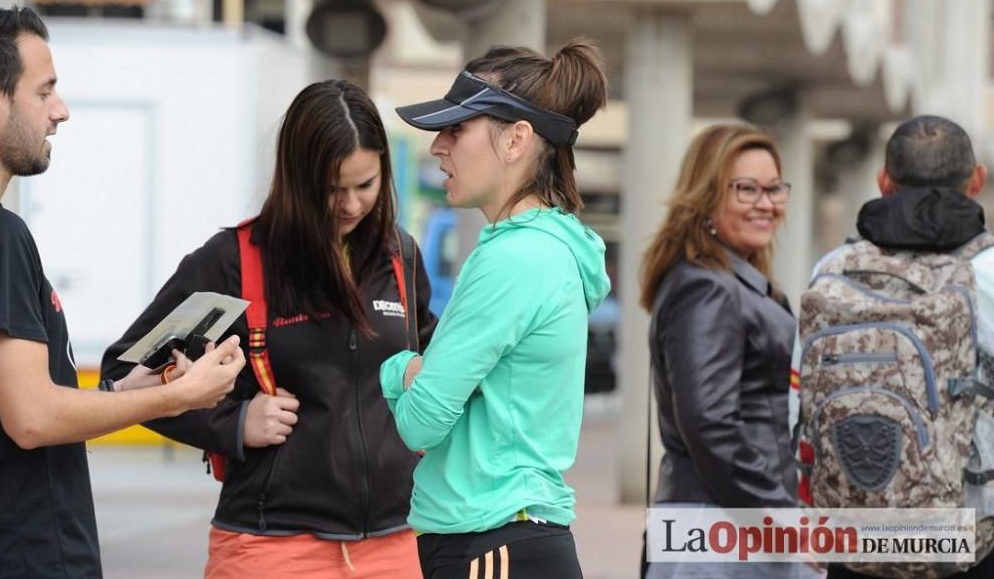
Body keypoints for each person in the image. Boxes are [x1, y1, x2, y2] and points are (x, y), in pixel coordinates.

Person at [100, 79, 437, 578]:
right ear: (297, 178)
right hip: (270, 546)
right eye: (331, 189)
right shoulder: (232, 263)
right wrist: (233, 424)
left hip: (396, 544)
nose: (350, 205)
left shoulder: (401, 257)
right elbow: (123, 374)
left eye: (364, 186)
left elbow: (436, 374)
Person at [0, 5, 246, 579]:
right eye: (45, 91)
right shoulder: (2, 235)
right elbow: (30, 418)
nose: (61, 111)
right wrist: (176, 398)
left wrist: (119, 389)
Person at [380, 39, 611, 579]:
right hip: (510, 536)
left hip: (492, 540)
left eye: (456, 129)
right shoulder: (550, 248)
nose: (438, 146)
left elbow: (420, 423)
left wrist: (399, 369)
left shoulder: (514, 257)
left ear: (516, 140)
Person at [803, 115, 994, 579]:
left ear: (884, 182)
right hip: (970, 541)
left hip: (856, 535)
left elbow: (802, 402)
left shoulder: (833, 269)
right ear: (977, 180)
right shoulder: (988, 272)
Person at [639, 124, 801, 578]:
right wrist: (780, 517)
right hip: (720, 533)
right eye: (746, 189)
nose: (765, 203)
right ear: (707, 197)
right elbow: (710, 425)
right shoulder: (707, 289)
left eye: (773, 189)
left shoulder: (732, 283)